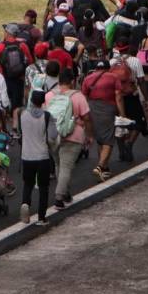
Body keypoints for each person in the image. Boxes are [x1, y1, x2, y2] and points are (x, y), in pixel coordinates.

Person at [49, 68, 91, 209]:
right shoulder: (78, 96)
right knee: (66, 167)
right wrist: (89, 135)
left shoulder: (50, 95)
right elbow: (87, 118)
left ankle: (65, 193)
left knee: (58, 165)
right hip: (73, 135)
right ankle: (59, 197)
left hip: (54, 135)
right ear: (72, 81)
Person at [18, 90, 56, 225]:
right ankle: (41, 217)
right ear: (43, 102)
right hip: (42, 156)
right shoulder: (47, 116)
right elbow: (52, 136)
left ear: (31, 101)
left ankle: (25, 203)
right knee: (44, 187)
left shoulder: (22, 114)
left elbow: (19, 133)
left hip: (26, 156)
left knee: (27, 184)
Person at [80, 59, 122, 182]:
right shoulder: (113, 77)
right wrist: (122, 113)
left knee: (100, 139)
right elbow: (118, 96)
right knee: (108, 140)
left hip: (92, 107)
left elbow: (84, 96)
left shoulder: (88, 78)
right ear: (108, 68)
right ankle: (100, 166)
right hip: (108, 107)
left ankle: (104, 168)